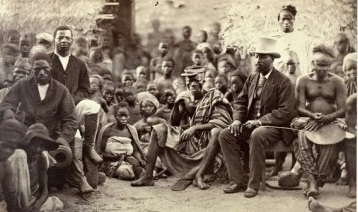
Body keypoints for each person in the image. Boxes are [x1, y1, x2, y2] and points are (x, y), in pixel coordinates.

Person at [218, 37, 296, 198]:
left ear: (272, 59)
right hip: (249, 124)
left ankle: (253, 185)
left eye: (263, 57)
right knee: (225, 135)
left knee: (257, 134)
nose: (258, 60)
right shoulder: (252, 78)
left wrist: (260, 121)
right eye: (257, 56)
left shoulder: (283, 82)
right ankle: (237, 180)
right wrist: (238, 119)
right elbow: (240, 101)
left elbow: (285, 111)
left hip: (275, 128)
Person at [131, 69, 232, 190]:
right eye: (190, 81)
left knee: (216, 132)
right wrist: (178, 104)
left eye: (196, 81)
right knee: (159, 129)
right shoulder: (185, 98)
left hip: (208, 139)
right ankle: (147, 176)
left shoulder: (213, 96)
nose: (193, 84)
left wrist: (195, 127)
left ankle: (199, 174)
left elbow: (223, 122)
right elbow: (174, 124)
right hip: (191, 138)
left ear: (202, 82)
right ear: (187, 83)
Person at [293, 44, 347, 198]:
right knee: (302, 137)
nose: (323, 68)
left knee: (331, 143)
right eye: (319, 64)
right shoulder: (303, 80)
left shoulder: (337, 81)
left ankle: (317, 180)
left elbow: (342, 109)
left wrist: (327, 118)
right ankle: (311, 181)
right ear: (312, 64)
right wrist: (313, 116)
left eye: (326, 65)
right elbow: (300, 107)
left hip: (331, 121)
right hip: (308, 119)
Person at [20, 123, 63, 212]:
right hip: (15, 201)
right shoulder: (18, 157)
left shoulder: (42, 159)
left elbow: (44, 191)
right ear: (28, 142)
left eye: (42, 146)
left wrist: (36, 206)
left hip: (31, 199)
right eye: (35, 144)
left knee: (56, 203)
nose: (38, 149)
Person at [98, 105, 146, 180]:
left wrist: (140, 160)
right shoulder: (107, 130)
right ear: (115, 116)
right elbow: (100, 152)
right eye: (120, 116)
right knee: (125, 172)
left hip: (129, 159)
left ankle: (138, 174)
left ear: (129, 116)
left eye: (126, 116)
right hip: (111, 161)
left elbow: (135, 150)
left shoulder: (131, 130)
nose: (123, 118)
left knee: (141, 171)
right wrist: (115, 157)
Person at [273, 4, 311, 75]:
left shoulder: (304, 39)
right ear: (278, 20)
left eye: (289, 19)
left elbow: (309, 62)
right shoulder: (273, 39)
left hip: (299, 79)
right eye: (283, 19)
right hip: (278, 80)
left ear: (293, 19)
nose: (286, 22)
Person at [0, 119, 28, 212]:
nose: (8, 151)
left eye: (12, 147)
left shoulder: (5, 165)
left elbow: (10, 197)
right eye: (4, 145)